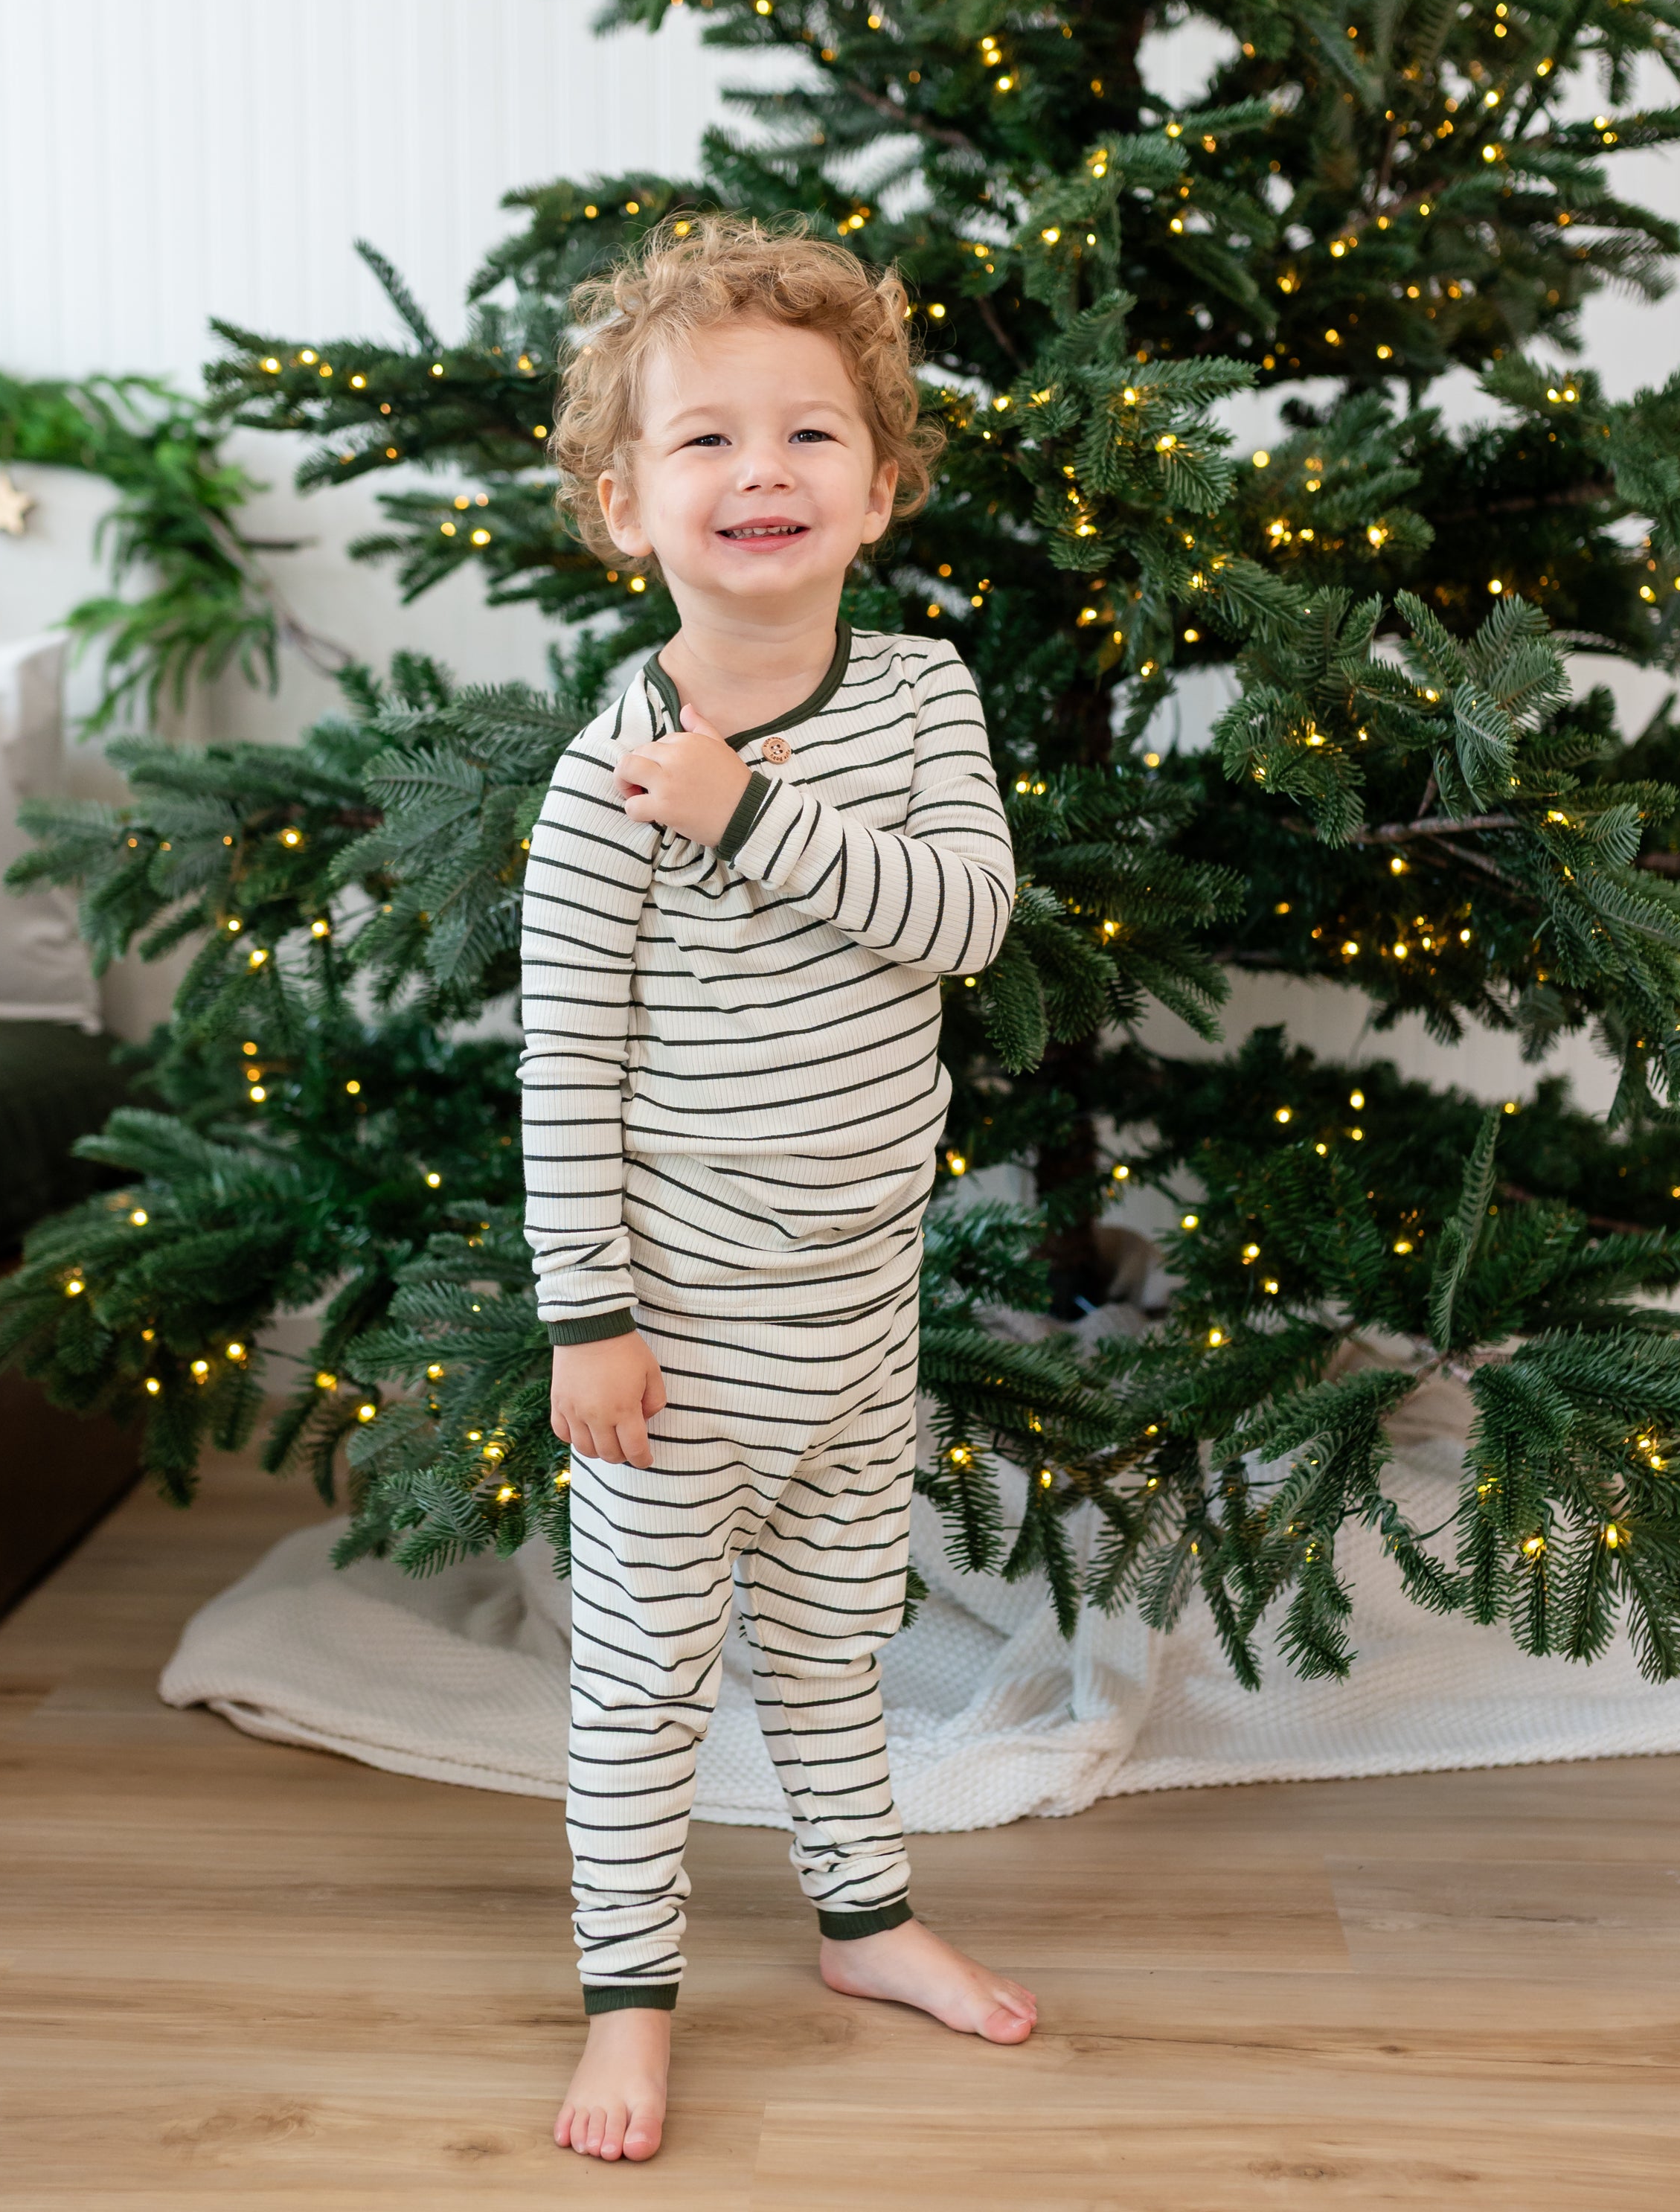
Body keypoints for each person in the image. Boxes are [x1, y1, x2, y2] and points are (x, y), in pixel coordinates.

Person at [520, 214, 1034, 2167]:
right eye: (707, 441)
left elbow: (963, 921)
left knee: (834, 1641)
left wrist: (760, 811)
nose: (760, 474)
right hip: (679, 1330)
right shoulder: (611, 775)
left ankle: (865, 1920)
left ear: (882, 486)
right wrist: (589, 1315)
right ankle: (628, 2004)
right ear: (623, 503)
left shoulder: (921, 700)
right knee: (648, 1683)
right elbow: (564, 1064)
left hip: (859, 1305)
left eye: (809, 437)